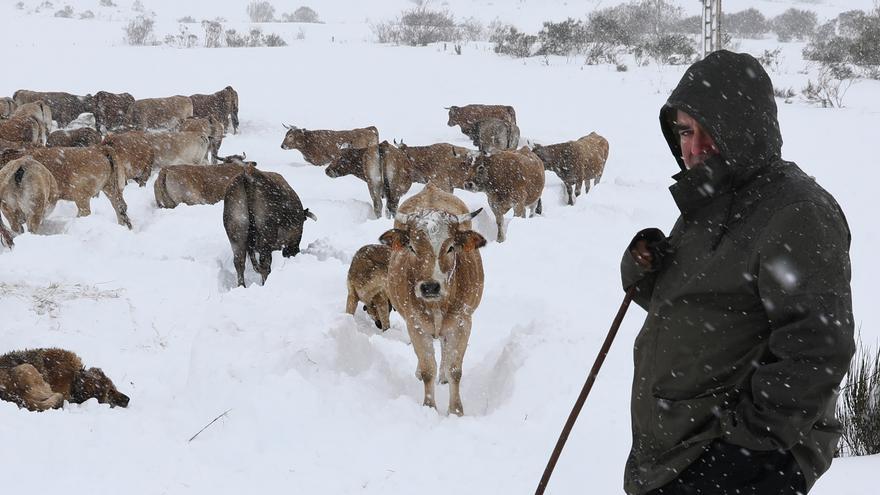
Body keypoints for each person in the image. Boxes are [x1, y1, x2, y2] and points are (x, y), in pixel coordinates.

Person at [620, 50, 854, 495]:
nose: (695, 149)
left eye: (712, 132)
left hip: (735, 461)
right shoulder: (708, 202)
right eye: (686, 131)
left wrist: (748, 445)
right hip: (676, 448)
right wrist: (641, 264)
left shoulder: (797, 212)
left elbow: (818, 345)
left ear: (748, 130)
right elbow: (689, 302)